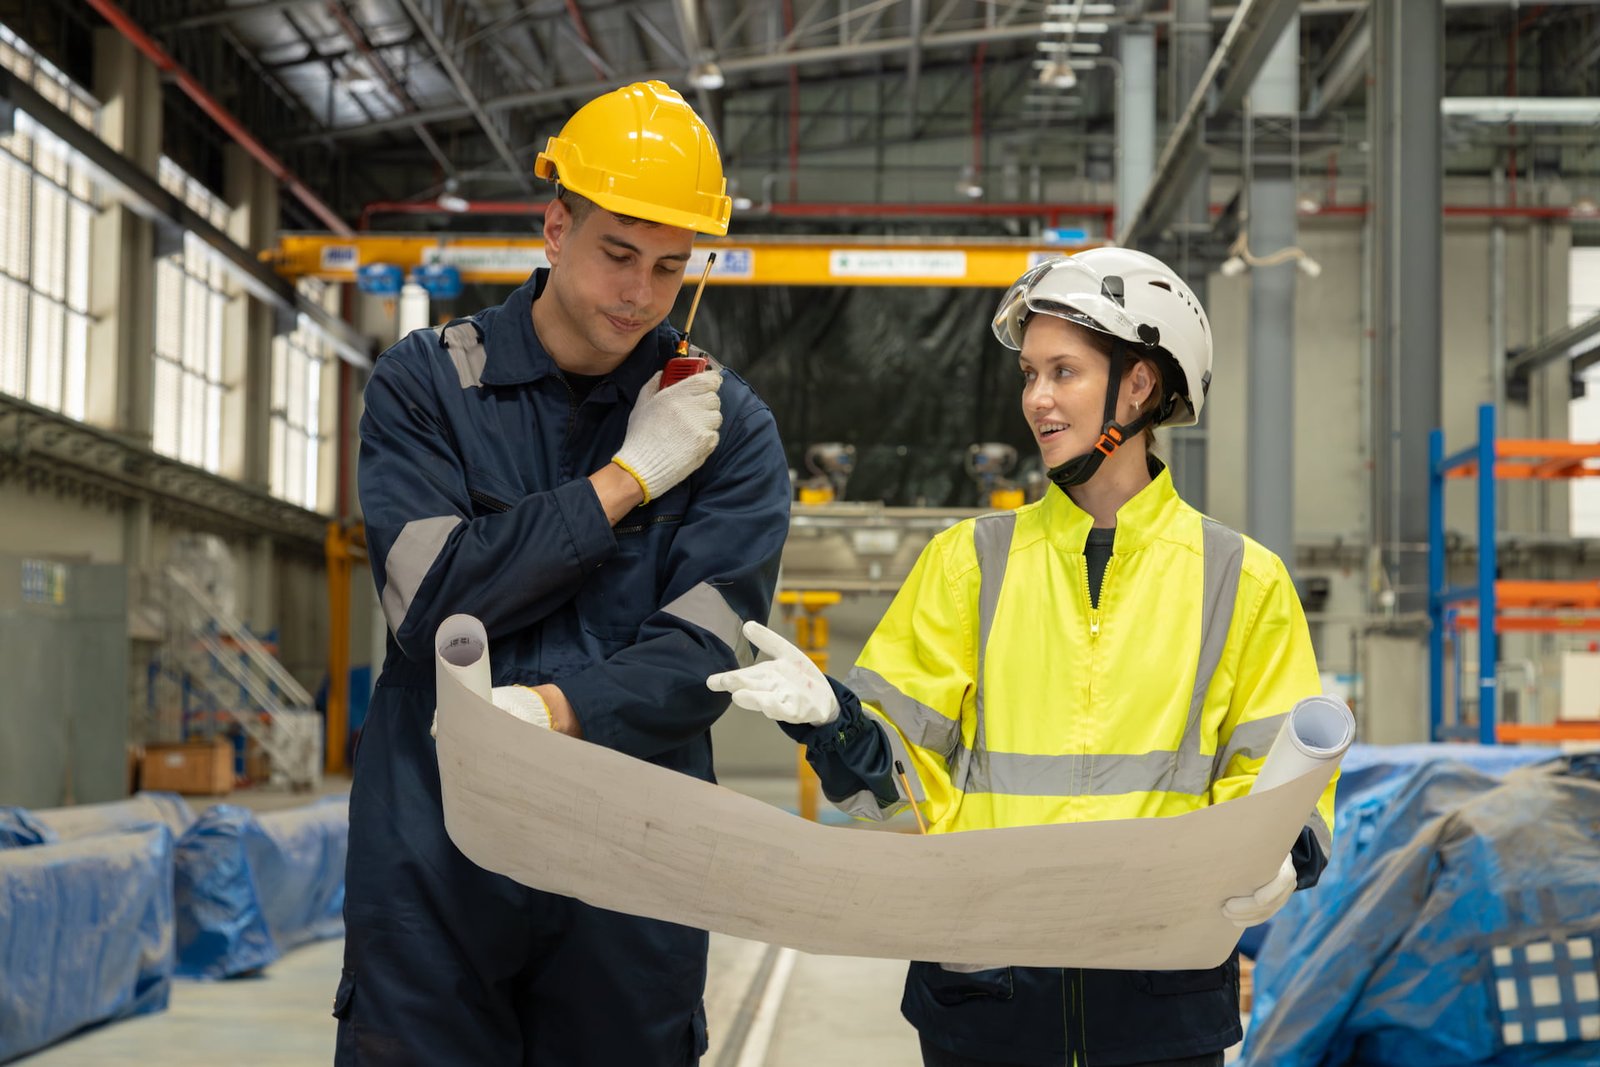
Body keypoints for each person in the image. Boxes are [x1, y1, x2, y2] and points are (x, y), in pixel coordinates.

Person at [708, 247, 1335, 1067]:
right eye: (1030, 374)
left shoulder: (1242, 580)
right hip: (987, 1005)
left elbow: (1276, 777)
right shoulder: (967, 564)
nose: (1036, 397)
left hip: (1158, 1009)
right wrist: (837, 724)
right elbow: (908, 792)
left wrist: (1284, 848)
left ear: (1138, 385)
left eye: (1063, 371)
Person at [340, 81, 791, 1065]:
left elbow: (704, 653)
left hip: (629, 877)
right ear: (555, 227)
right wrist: (625, 482)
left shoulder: (729, 429)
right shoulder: (428, 384)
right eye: (617, 255)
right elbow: (432, 601)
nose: (640, 294)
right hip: (437, 869)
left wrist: (553, 711)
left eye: (670, 267)